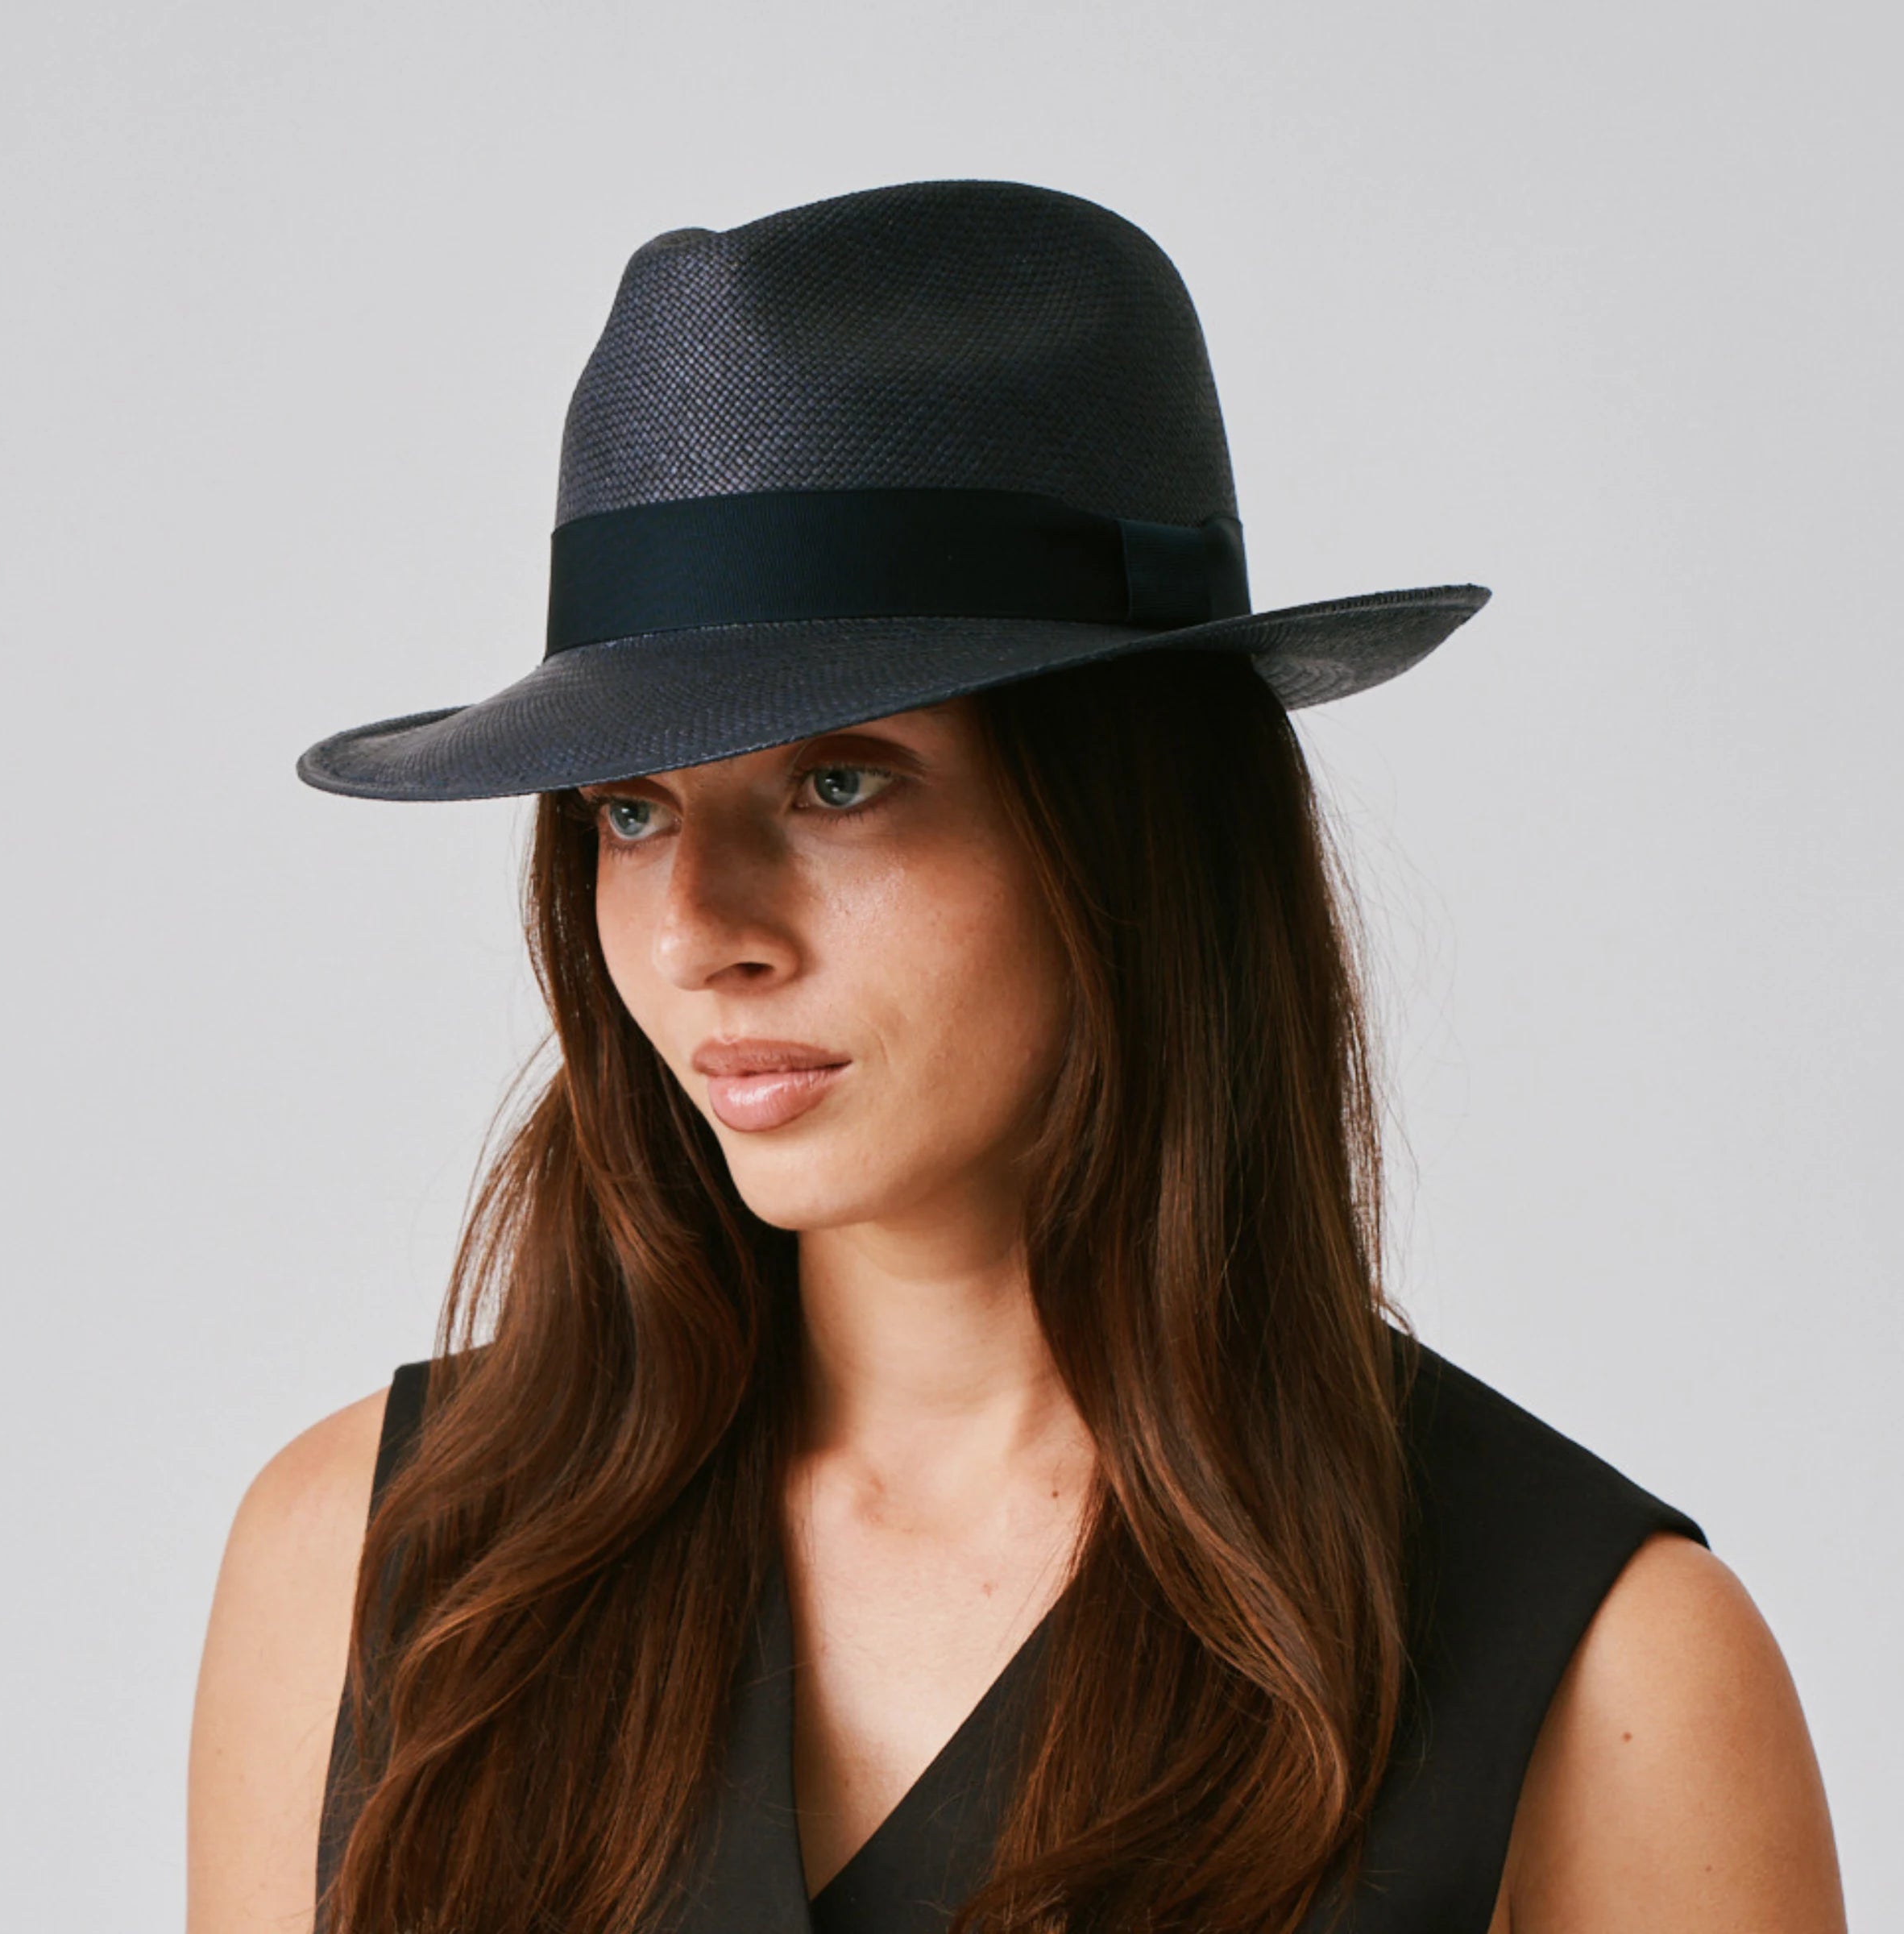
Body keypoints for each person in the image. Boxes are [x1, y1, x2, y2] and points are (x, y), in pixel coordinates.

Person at [186, 181, 1845, 1934]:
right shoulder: (373, 1569)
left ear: (1130, 826)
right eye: (632, 806)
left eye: (838, 780)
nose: (699, 930)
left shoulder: (1604, 1677)